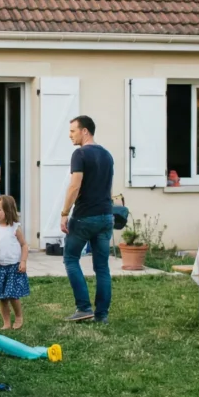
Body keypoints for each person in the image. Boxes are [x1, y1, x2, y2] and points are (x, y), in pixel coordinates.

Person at [61, 116, 114, 323]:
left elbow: (75, 186)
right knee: (102, 267)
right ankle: (102, 315)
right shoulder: (107, 155)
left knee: (70, 259)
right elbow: (108, 187)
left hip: (84, 217)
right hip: (106, 216)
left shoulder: (80, 154)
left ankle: (83, 307)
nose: (70, 135)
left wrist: (65, 213)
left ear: (85, 131)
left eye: (73, 131)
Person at [0, 195, 29, 330]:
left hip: (13, 267)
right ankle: (6, 322)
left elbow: (24, 245)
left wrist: (23, 261)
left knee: (12, 296)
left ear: (8, 211)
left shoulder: (15, 228)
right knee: (2, 298)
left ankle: (19, 316)